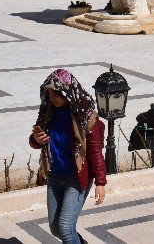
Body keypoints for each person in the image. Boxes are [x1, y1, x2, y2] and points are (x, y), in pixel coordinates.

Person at [29, 69, 106, 244]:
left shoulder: (85, 116)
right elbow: (35, 141)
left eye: (56, 94)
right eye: (49, 93)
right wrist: (36, 139)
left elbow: (95, 151)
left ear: (67, 93)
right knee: (55, 228)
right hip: (55, 175)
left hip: (76, 178)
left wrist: (100, 182)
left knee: (65, 227)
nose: (52, 98)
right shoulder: (48, 111)